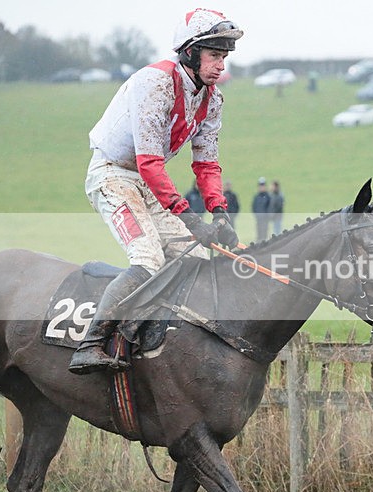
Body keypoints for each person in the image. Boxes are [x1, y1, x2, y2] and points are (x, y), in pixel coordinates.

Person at [69, 8, 243, 375]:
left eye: (224, 57)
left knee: (191, 261)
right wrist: (193, 219)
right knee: (149, 262)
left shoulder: (212, 99)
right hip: (113, 176)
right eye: (214, 55)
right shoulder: (156, 84)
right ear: (191, 53)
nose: (220, 66)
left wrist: (220, 211)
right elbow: (149, 162)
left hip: (149, 184)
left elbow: (207, 164)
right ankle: (90, 344)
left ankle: (147, 331)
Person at [252, 176, 271, 241]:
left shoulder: (268, 196)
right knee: (259, 232)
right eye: (260, 185)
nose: (261, 187)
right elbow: (254, 207)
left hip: (265, 218)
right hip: (258, 218)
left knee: (264, 232)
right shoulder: (256, 197)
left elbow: (270, 207)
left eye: (263, 185)